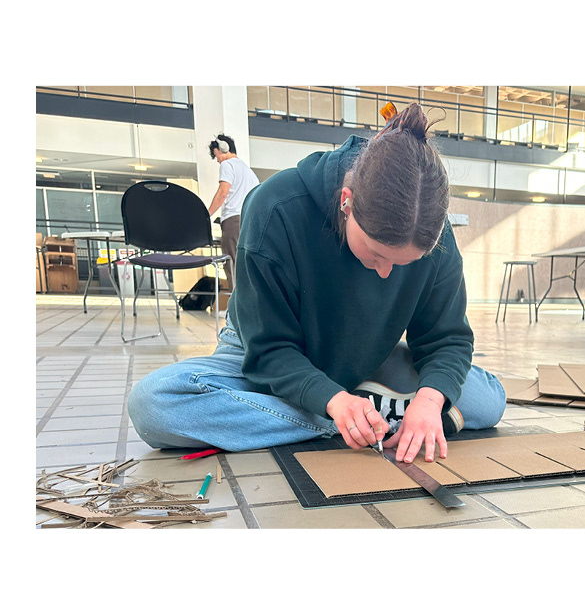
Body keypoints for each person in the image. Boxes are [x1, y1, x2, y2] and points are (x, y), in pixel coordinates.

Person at [128, 103, 506, 464]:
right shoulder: (274, 207)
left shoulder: (433, 234)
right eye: (376, 254)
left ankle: (348, 413)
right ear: (346, 203)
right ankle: (347, 421)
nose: (386, 273)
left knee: (487, 401)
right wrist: (333, 402)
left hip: (367, 354)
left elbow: (447, 339)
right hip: (268, 355)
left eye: (405, 263)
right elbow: (268, 349)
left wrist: (429, 401)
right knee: (154, 404)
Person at [207, 133, 259, 297]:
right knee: (245, 265)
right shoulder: (248, 171)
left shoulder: (227, 165)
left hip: (233, 220)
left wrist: (206, 215)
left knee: (231, 263)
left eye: (217, 155)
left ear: (224, 148)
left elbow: (223, 193)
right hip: (249, 219)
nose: (218, 160)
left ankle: (237, 306)